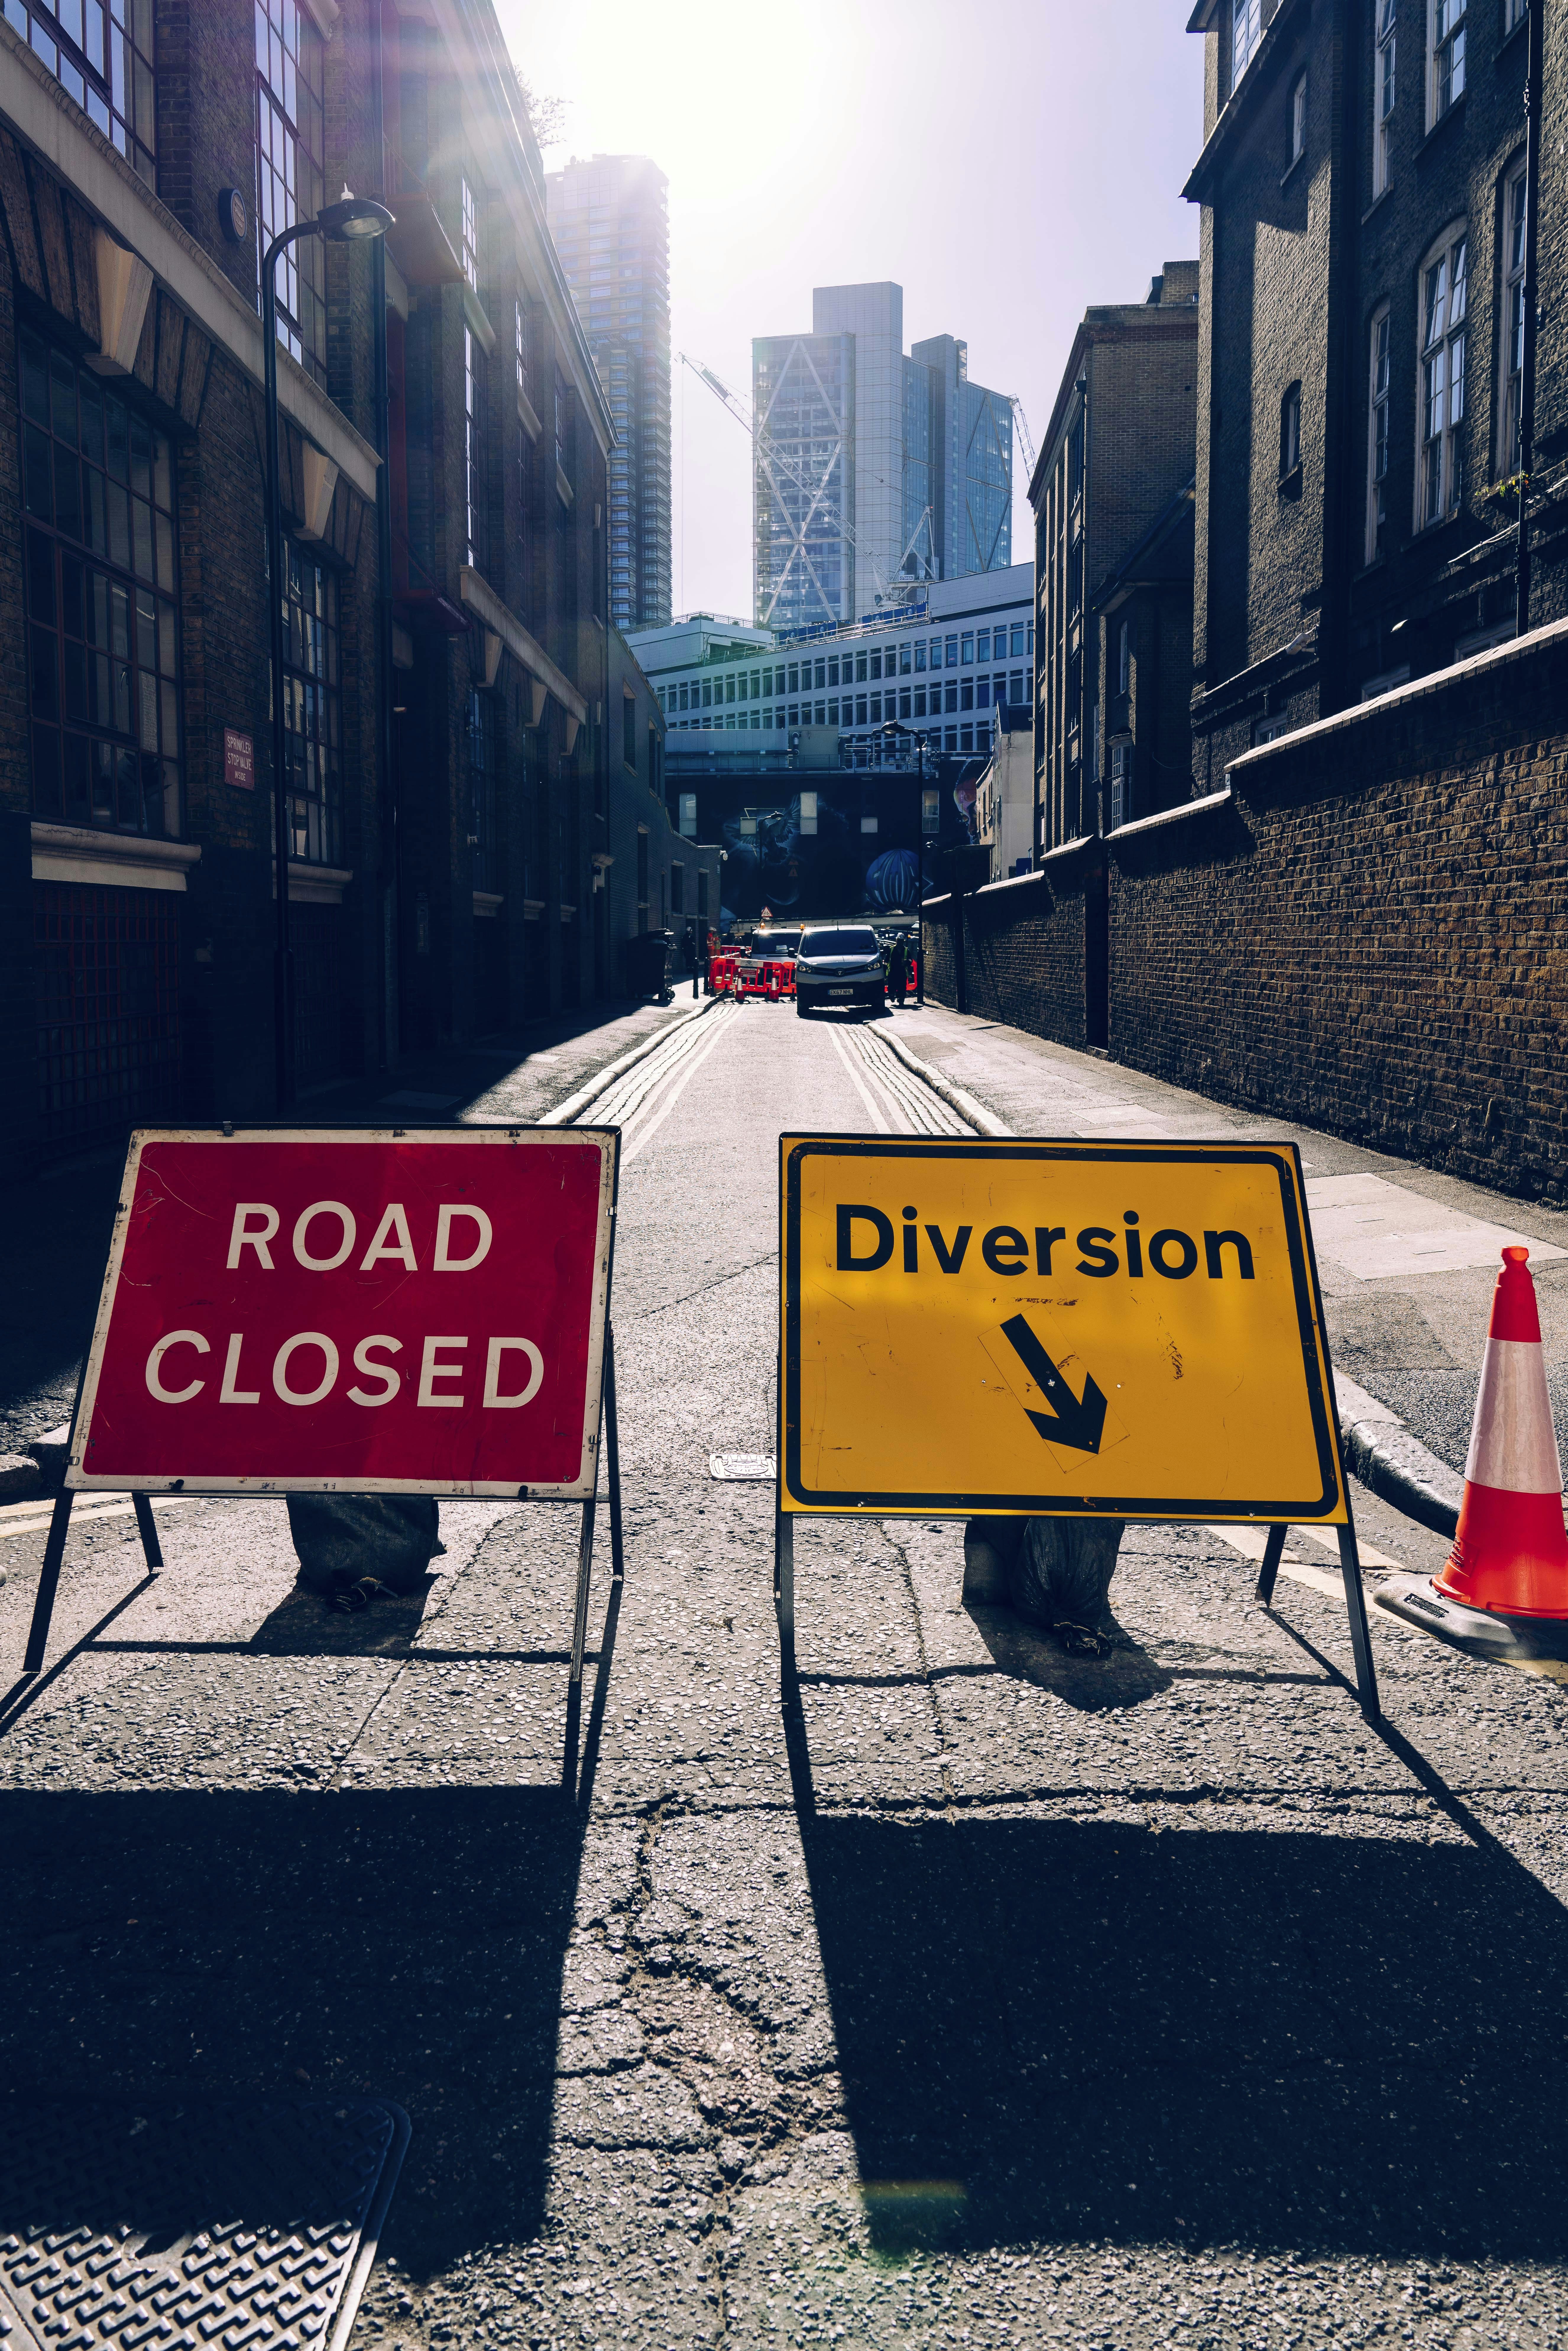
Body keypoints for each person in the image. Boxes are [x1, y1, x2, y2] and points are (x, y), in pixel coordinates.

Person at [887, 929, 909, 1009]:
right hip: (893, 972)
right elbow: (887, 961)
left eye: (901, 941)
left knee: (902, 987)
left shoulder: (906, 950)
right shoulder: (892, 949)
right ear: (897, 940)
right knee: (892, 986)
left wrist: (906, 963)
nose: (900, 942)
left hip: (902, 972)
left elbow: (910, 960)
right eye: (899, 940)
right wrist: (885, 971)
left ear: (903, 941)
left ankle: (901, 1001)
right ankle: (892, 996)